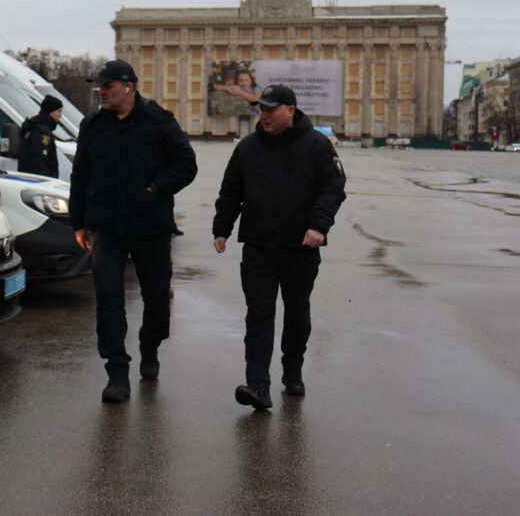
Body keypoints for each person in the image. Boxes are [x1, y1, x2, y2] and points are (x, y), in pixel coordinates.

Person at [69, 59, 198, 403]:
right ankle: (116, 369)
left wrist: (155, 189)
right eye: (98, 86)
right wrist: (78, 221)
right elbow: (80, 174)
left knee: (157, 299)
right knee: (109, 297)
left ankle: (150, 343)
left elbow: (187, 165)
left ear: (128, 87)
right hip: (106, 226)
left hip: (150, 227)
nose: (101, 92)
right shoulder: (93, 125)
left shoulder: (158, 122)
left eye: (106, 86)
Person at [211, 85, 346, 410]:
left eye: (271, 109)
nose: (265, 115)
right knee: (259, 314)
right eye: (262, 109)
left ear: (291, 110)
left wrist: (318, 225)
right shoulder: (247, 148)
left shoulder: (317, 145)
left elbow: (333, 187)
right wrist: (222, 228)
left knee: (297, 313)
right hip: (258, 245)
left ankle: (292, 368)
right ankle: (258, 385)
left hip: (300, 246)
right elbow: (230, 191)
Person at [18, 95, 62, 177]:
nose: (60, 115)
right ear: (51, 111)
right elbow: (39, 163)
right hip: (39, 182)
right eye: (59, 111)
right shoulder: (42, 132)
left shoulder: (33, 126)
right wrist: (49, 181)